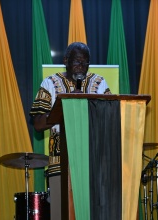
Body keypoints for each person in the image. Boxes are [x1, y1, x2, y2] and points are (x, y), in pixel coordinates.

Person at [29, 42, 111, 220]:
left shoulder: (99, 83)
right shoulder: (50, 83)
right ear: (66, 60)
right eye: (77, 62)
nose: (81, 67)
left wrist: (87, 106)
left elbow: (108, 119)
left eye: (85, 63)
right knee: (60, 213)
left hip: (92, 164)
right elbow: (38, 124)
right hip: (60, 163)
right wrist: (67, 104)